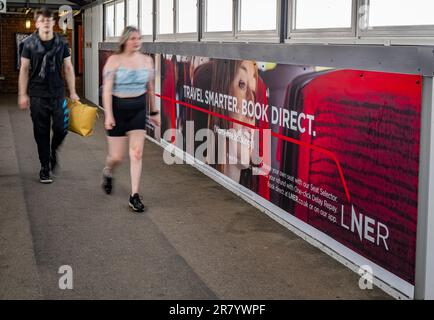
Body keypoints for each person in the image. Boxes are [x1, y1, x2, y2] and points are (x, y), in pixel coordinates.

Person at [18, 8, 79, 183]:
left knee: (61, 128)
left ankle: (53, 151)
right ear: (37, 23)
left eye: (49, 19)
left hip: (57, 93)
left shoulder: (62, 42)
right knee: (41, 131)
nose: (46, 22)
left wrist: (73, 92)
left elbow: (68, 68)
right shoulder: (28, 43)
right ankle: (45, 167)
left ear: (54, 23)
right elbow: (23, 69)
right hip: (37, 94)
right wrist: (22, 94)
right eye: (42, 19)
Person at [101, 26, 158, 213]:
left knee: (136, 153)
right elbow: (107, 90)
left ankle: (134, 195)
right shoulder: (114, 61)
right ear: (125, 40)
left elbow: (150, 87)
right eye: (133, 38)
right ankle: (108, 171)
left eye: (139, 38)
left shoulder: (147, 61)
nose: (137, 41)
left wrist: (155, 112)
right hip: (117, 111)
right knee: (116, 157)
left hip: (138, 111)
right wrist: (108, 114)